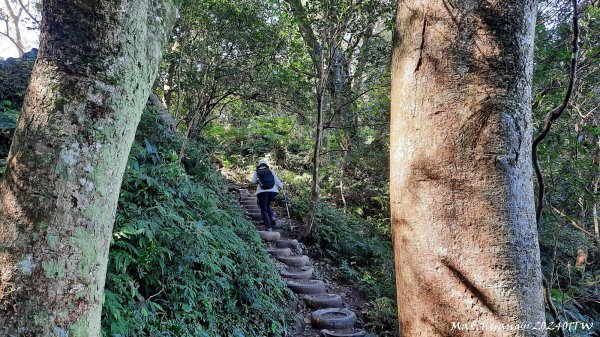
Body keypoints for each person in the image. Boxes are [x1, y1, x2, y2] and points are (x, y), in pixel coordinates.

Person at [251, 159, 283, 231]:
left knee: (263, 208)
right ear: (266, 164)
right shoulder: (270, 171)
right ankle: (272, 217)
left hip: (262, 192)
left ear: (259, 164)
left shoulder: (256, 171)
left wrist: (258, 180)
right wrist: (281, 186)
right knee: (267, 204)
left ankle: (268, 227)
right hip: (273, 191)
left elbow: (253, 181)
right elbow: (277, 180)